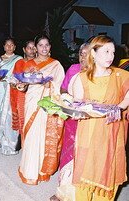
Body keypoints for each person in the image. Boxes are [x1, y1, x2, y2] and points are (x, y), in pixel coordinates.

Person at [69, 35, 129, 201]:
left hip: (112, 134)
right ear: (93, 54)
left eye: (113, 52)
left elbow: (127, 96)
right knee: (85, 176)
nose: (111, 56)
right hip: (89, 133)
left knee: (109, 175)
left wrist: (119, 107)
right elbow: (77, 106)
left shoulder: (120, 75)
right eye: (106, 51)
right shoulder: (81, 78)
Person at [18, 34, 65, 185]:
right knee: (31, 133)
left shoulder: (56, 64)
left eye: (47, 45)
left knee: (43, 135)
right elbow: (24, 83)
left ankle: (41, 170)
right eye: (41, 45)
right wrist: (21, 86)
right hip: (32, 101)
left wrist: (49, 85)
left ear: (50, 47)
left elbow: (61, 86)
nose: (44, 48)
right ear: (36, 48)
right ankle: (29, 170)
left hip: (47, 102)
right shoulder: (28, 63)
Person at [54, 43, 89, 201]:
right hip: (72, 119)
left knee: (84, 156)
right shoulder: (73, 69)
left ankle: (80, 194)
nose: (83, 57)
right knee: (67, 153)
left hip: (89, 121)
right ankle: (62, 192)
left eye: (87, 53)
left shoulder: (98, 73)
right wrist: (67, 97)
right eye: (81, 53)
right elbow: (62, 89)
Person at [0, 37, 22, 155]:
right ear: (4, 46)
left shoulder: (18, 59)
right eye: (7, 45)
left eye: (12, 45)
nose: (9, 47)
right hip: (0, 89)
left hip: (12, 89)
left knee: (10, 116)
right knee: (0, 114)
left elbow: (20, 75)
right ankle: (1, 141)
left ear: (15, 47)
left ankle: (10, 144)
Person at [10, 40, 36, 140]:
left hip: (35, 94)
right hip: (21, 94)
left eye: (34, 47)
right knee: (23, 119)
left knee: (34, 120)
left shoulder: (40, 62)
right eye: (29, 48)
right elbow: (14, 79)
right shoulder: (19, 63)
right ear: (24, 50)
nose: (32, 50)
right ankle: (24, 143)